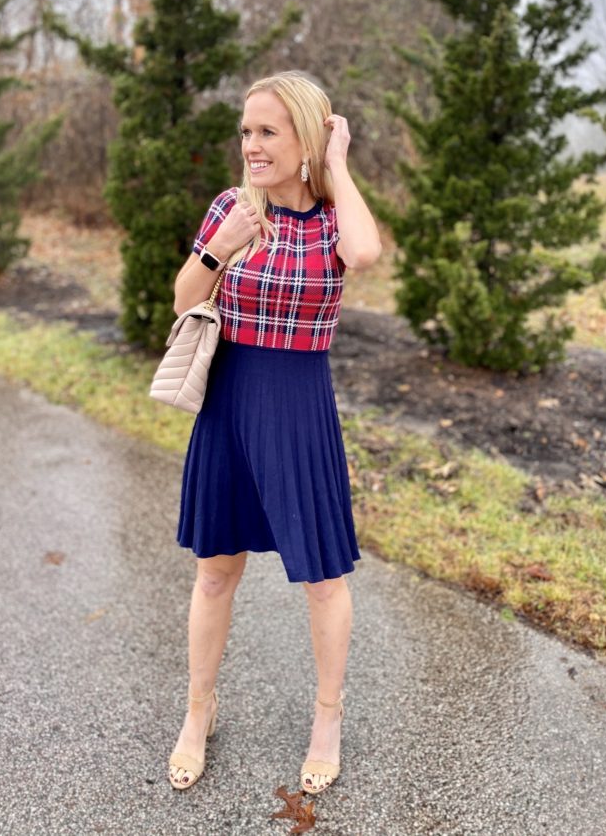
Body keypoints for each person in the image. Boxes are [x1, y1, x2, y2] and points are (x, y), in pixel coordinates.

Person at [167, 71, 383, 795]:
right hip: (228, 397)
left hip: (298, 403)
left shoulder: (330, 217)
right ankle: (199, 710)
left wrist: (340, 163)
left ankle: (328, 717)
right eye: (245, 132)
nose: (251, 145)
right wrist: (216, 249)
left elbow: (365, 253)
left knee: (323, 576)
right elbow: (183, 297)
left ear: (305, 137)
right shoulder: (233, 207)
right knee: (216, 569)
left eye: (268, 132)